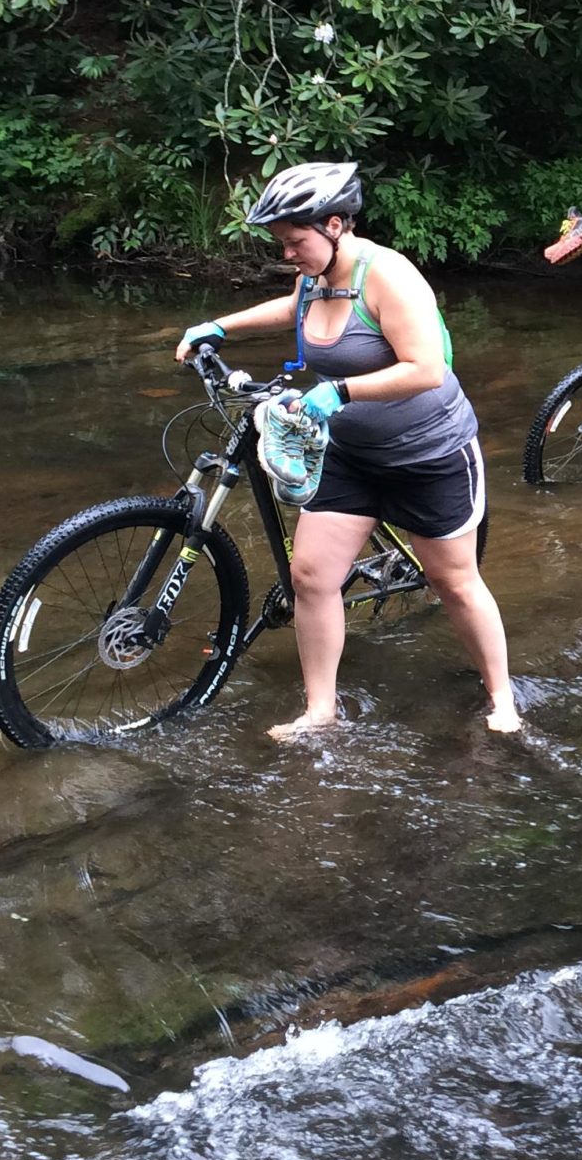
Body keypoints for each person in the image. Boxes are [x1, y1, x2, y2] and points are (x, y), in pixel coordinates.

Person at [173, 161, 520, 738]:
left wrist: (340, 390)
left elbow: (427, 369)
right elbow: (294, 311)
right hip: (351, 453)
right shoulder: (315, 274)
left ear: (336, 224)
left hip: (428, 454)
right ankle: (320, 712)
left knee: (454, 582)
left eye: (294, 241)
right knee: (311, 576)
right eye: (281, 243)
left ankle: (501, 696)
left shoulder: (391, 276)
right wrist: (219, 326)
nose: (287, 254)